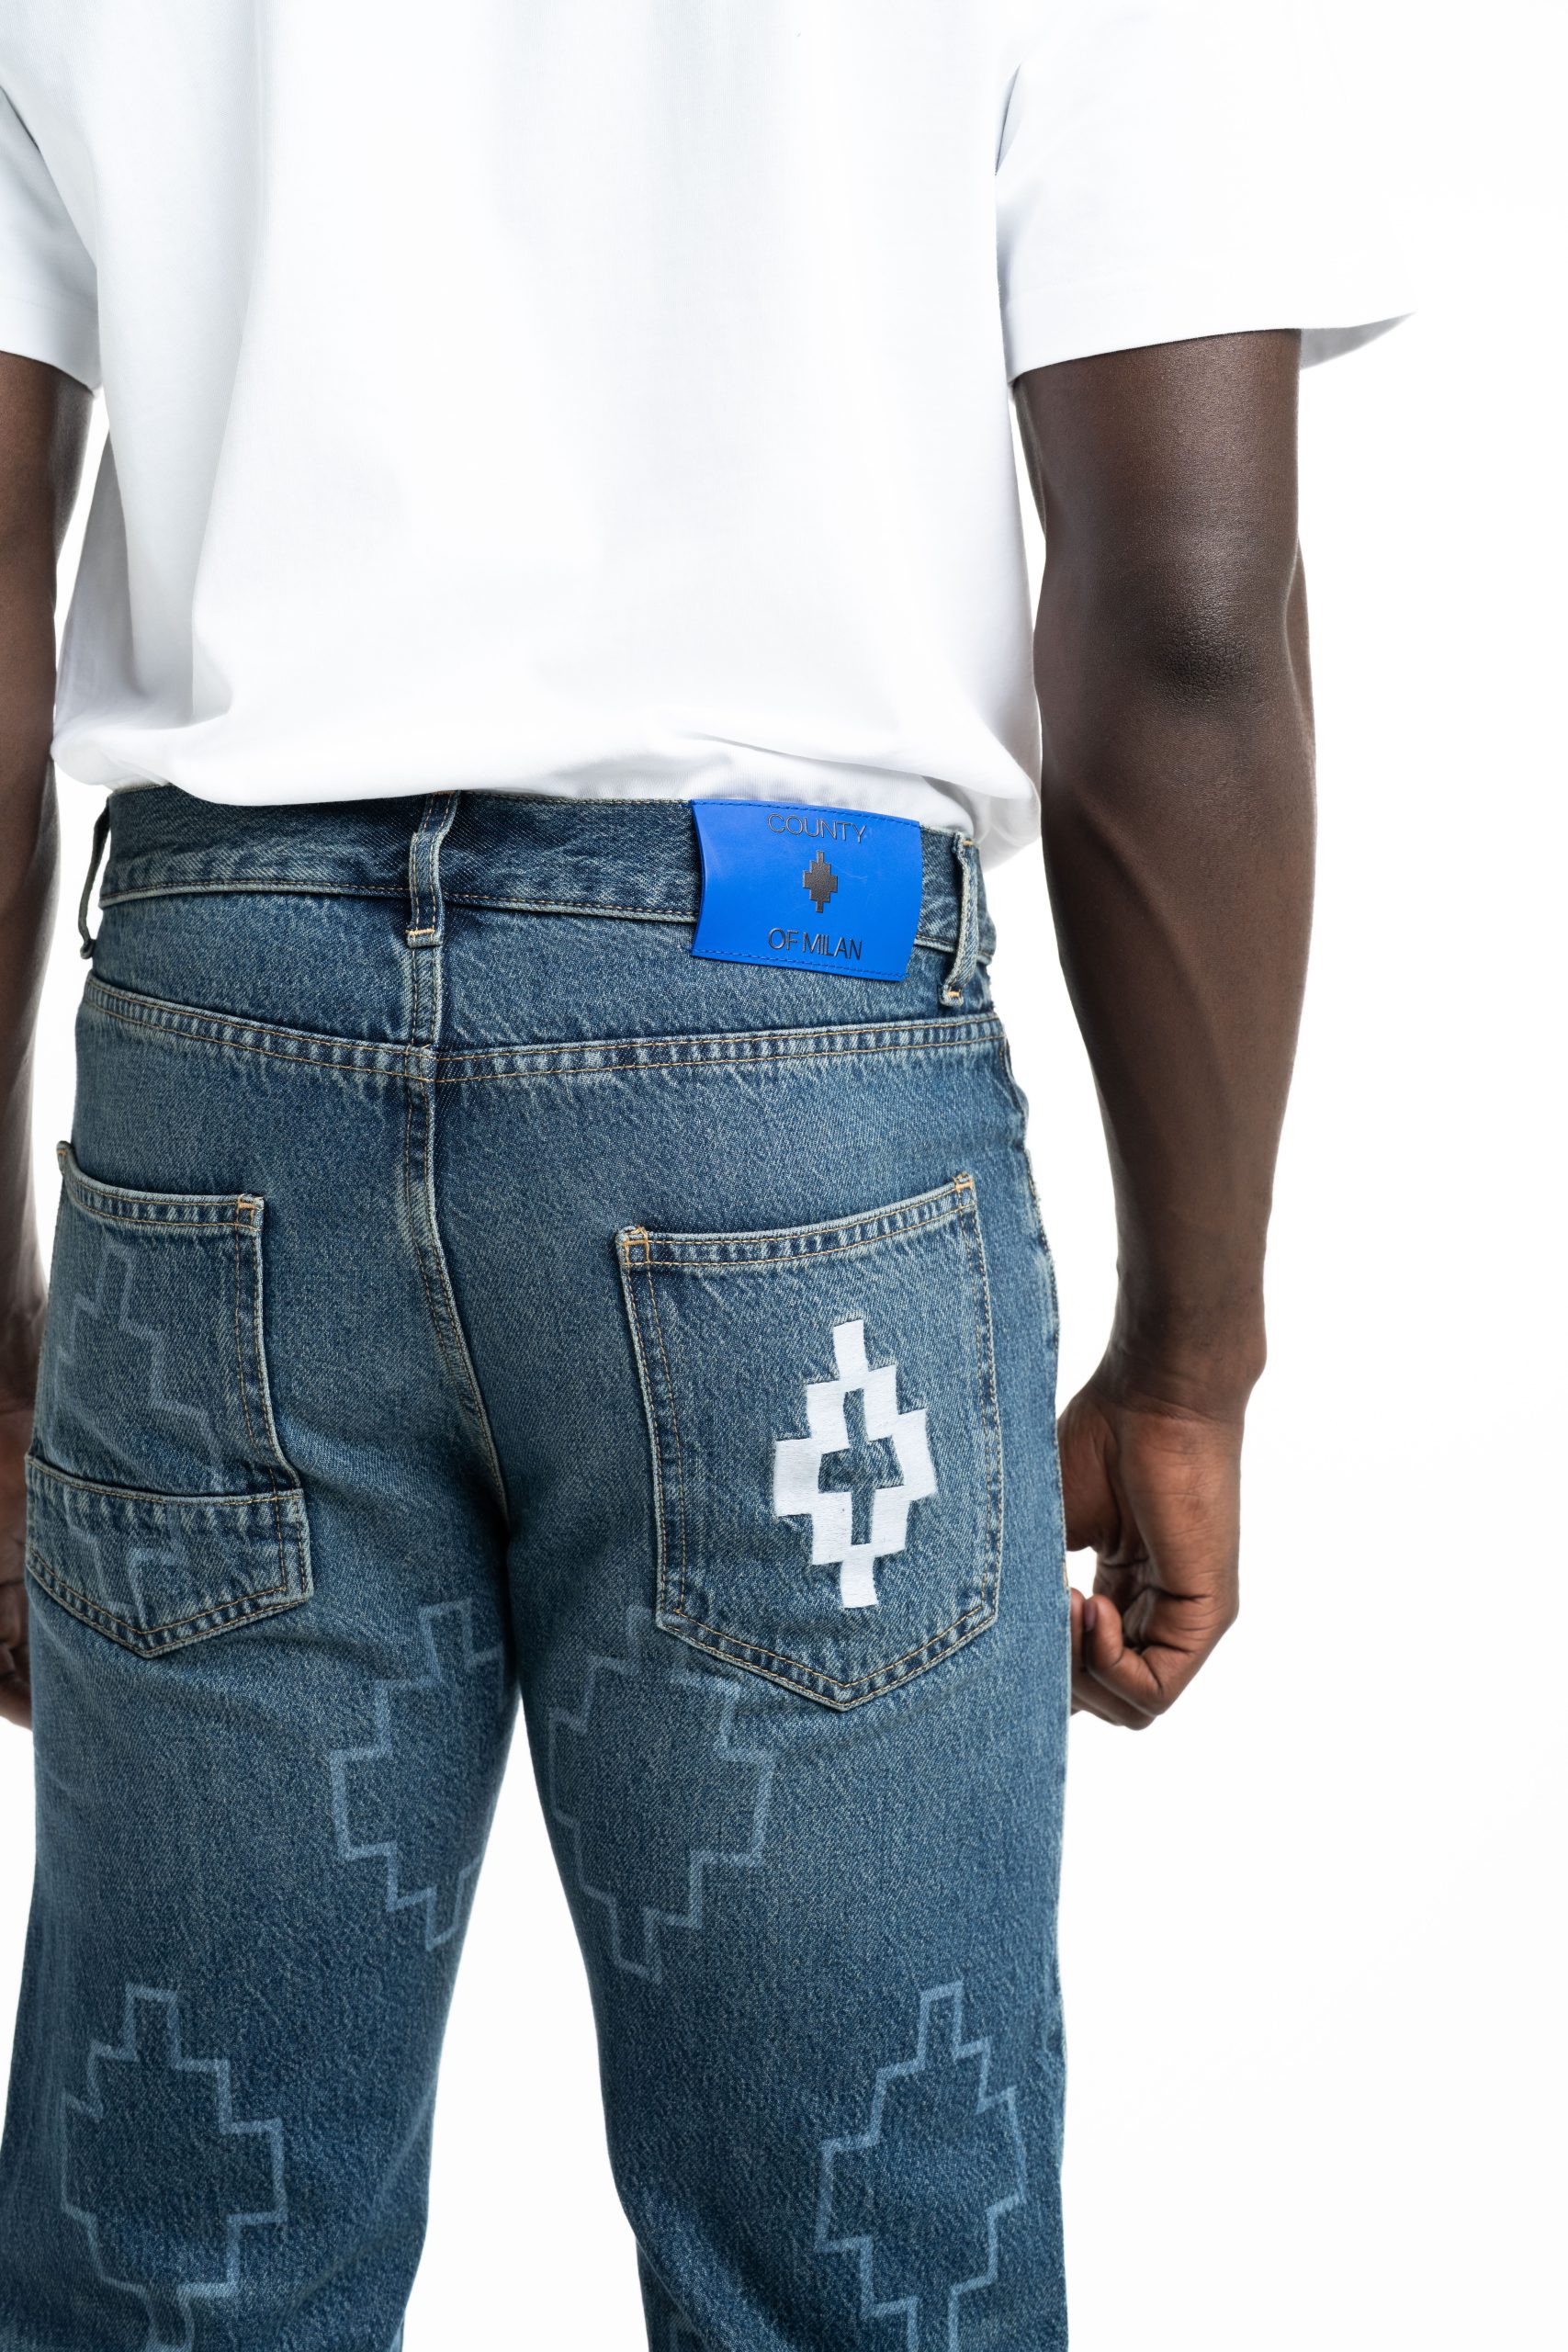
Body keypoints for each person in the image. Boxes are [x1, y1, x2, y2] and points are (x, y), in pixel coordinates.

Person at [0, 5, 1405, 2346]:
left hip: (216, 1105)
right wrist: (1190, 1353)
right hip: (788, 1089)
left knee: (180, 2262)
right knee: (855, 2268)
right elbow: (1183, 614)